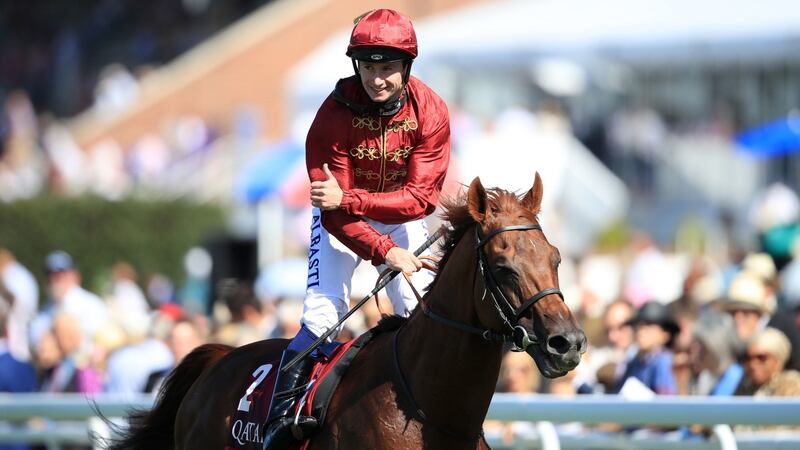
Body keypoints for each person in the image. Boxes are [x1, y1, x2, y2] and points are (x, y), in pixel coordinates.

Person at [261, 9, 451, 449]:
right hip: (341, 226)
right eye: (369, 67)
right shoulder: (332, 117)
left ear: (406, 67)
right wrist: (383, 247)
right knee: (323, 318)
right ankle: (279, 424)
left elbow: (421, 200)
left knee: (423, 317)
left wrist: (354, 203)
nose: (377, 78)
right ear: (356, 65)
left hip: (401, 217)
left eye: (387, 68)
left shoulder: (432, 111)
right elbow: (334, 216)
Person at [615, 301, 679, 396]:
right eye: (638, 326)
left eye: (648, 325)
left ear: (665, 334)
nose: (640, 331)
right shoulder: (633, 362)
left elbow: (666, 402)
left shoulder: (663, 361)